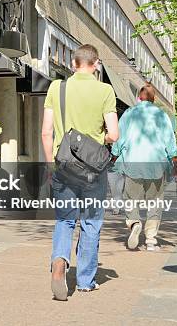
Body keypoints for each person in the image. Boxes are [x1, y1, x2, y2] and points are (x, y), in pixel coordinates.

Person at [41, 44, 119, 301]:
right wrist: (99, 138)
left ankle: (59, 264)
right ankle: (86, 281)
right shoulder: (105, 90)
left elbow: (46, 132)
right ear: (96, 65)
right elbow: (114, 134)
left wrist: (49, 165)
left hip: (63, 166)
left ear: (73, 64)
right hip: (93, 170)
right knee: (91, 222)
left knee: (64, 220)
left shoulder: (57, 87)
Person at [111, 84, 177, 251]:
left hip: (133, 163)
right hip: (156, 164)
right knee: (155, 202)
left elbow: (119, 138)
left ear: (139, 98)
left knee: (130, 199)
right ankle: (150, 240)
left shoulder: (129, 113)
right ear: (154, 99)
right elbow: (170, 140)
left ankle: (134, 222)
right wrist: (175, 161)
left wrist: (114, 155)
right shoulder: (162, 116)